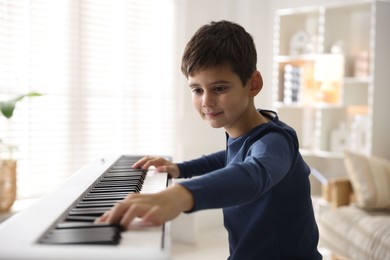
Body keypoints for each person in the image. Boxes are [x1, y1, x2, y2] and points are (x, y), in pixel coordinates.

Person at [96, 20, 322, 259]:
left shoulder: (275, 142)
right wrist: (181, 168)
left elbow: (253, 175)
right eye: (197, 90)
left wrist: (179, 195)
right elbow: (228, 158)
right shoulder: (248, 137)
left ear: (253, 84)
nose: (206, 101)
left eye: (219, 88)